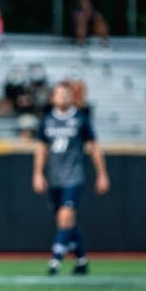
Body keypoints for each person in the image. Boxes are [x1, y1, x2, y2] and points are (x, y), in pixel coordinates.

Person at [33, 80, 109, 276]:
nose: (63, 97)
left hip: (73, 177)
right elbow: (41, 149)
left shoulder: (80, 119)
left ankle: (54, 261)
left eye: (66, 94)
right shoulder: (47, 120)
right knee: (67, 223)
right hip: (55, 178)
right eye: (59, 94)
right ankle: (82, 261)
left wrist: (102, 174)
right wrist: (38, 174)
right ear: (53, 97)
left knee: (65, 217)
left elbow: (94, 147)